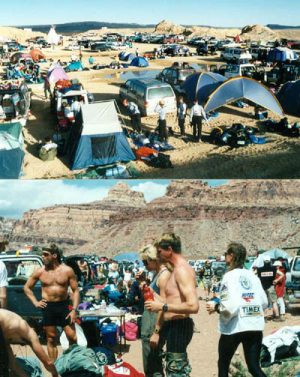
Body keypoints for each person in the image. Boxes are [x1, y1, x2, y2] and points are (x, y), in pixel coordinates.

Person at [206, 243, 268, 377]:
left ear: (231, 256)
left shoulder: (229, 276)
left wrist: (216, 307)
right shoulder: (252, 276)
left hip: (235, 327)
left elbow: (230, 306)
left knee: (223, 364)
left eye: (226, 254)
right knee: (254, 367)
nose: (224, 257)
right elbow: (264, 302)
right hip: (254, 325)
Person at [145, 233, 199, 376]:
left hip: (179, 326)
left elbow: (193, 306)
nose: (158, 254)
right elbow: (171, 299)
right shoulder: (174, 270)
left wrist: (163, 307)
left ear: (169, 249)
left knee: (177, 371)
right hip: (173, 326)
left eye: (159, 251)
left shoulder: (182, 270)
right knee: (172, 369)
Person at [24, 244, 80, 361]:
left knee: (73, 337)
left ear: (54, 255)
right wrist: (35, 302)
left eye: (46, 255)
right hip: (48, 307)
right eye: (42, 255)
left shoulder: (67, 271)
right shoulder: (40, 272)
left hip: (64, 306)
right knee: (51, 338)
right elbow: (27, 288)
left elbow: (75, 291)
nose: (42, 257)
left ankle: (72, 363)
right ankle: (54, 368)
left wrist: (74, 310)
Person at [139, 244, 171, 377]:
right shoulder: (157, 275)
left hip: (153, 326)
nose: (144, 265)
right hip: (149, 325)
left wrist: (156, 332)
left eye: (145, 261)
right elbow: (152, 299)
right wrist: (144, 284)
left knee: (153, 366)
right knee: (151, 364)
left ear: (153, 260)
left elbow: (164, 306)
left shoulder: (163, 276)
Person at [0, 309, 60, 377]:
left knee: (4, 364)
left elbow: (13, 365)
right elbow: (48, 362)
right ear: (33, 329)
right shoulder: (29, 331)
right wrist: (55, 375)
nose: (23, 345)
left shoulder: (7, 329)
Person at [256, 256, 279, 321]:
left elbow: (253, 273)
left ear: (263, 261)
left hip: (263, 287)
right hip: (271, 287)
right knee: (274, 302)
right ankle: (277, 316)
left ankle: (264, 317)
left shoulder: (259, 269)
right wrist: (277, 280)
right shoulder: (274, 269)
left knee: (264, 302)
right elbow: (282, 274)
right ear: (270, 261)